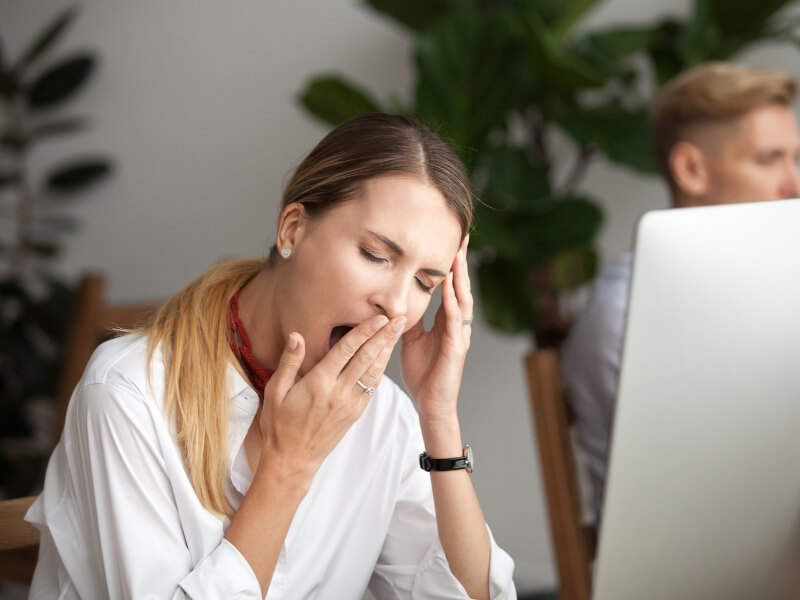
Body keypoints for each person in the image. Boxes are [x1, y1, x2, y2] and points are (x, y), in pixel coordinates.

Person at [26, 113, 516, 599]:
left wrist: (438, 416)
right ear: (292, 230)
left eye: (424, 282)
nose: (396, 302)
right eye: (375, 254)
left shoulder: (384, 415)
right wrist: (289, 465)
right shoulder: (126, 394)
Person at [561, 62, 800, 521]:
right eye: (769, 159)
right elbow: (718, 492)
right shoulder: (628, 314)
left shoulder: (772, 293)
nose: (793, 185)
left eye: (794, 158)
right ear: (691, 169)